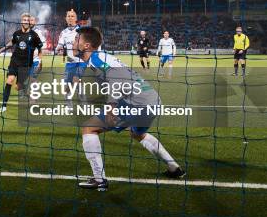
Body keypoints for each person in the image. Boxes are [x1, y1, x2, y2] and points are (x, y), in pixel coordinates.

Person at [74, 27, 185, 191]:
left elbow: (115, 78)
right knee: (137, 133)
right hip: (152, 100)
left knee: (89, 128)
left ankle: (99, 180)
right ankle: (174, 168)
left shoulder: (96, 58)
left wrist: (111, 106)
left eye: (77, 39)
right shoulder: (101, 58)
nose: (73, 41)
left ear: (86, 45)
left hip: (136, 103)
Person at [0, 13, 43, 113]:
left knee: (19, 86)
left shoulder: (34, 35)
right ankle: (4, 105)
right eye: (24, 20)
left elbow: (40, 49)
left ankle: (26, 93)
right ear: (21, 21)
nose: (25, 21)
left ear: (29, 22)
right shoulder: (17, 33)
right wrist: (0, 50)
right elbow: (11, 43)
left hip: (26, 64)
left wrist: (40, 61)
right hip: (15, 61)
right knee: (9, 80)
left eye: (27, 20)